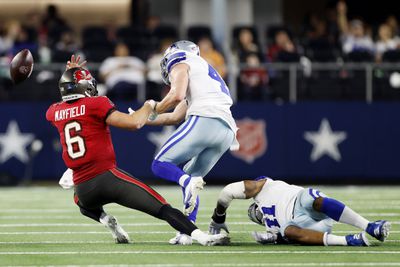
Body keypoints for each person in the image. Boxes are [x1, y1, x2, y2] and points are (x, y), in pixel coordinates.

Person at [45, 55, 229, 246]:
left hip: (83, 188)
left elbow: (71, 105)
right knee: (163, 208)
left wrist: (70, 76)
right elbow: (134, 123)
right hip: (107, 179)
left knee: (81, 203)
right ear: (85, 86)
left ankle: (106, 220)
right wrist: (149, 105)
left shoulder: (53, 111)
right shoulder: (96, 104)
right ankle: (202, 236)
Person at [146, 40, 239, 245]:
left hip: (205, 118)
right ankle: (187, 231)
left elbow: (175, 95)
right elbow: (173, 117)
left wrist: (154, 108)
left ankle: (187, 183)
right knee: (190, 175)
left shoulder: (180, 59)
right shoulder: (204, 73)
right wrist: (144, 118)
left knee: (160, 164)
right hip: (226, 131)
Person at [209, 176, 391, 246]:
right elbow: (286, 237)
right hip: (311, 228)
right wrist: (274, 239)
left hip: (303, 205)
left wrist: (218, 217)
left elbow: (227, 192)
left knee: (309, 197)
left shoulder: (263, 188)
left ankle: (369, 226)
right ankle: (349, 241)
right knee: (288, 230)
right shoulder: (270, 227)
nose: (257, 216)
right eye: (255, 218)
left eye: (254, 212)